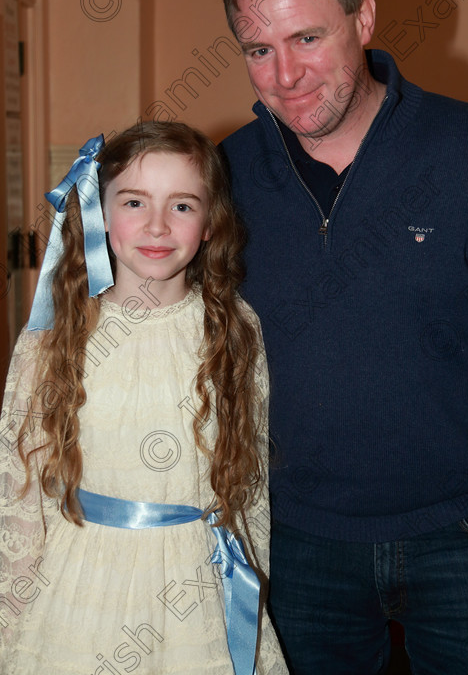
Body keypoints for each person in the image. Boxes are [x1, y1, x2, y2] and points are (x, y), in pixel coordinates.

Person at [219, 0, 468, 674]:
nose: (287, 75)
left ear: (362, 18)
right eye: (259, 50)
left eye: (307, 38)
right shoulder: (222, 178)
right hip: (296, 547)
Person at [0, 120, 287, 675]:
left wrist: (256, 584)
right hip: (82, 587)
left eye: (182, 206)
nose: (157, 226)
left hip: (198, 589)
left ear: (210, 225)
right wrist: (12, 617)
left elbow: (250, 485)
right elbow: (19, 489)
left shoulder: (235, 330)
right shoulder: (54, 337)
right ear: (99, 214)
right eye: (134, 202)